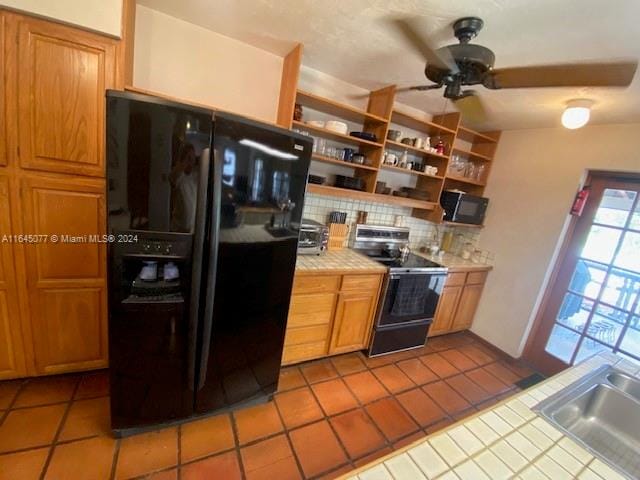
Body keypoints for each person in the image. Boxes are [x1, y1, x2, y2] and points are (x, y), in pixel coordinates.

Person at [170, 143, 198, 232]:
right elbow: (172, 178)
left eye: (193, 158)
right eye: (189, 158)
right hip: (178, 228)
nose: (192, 161)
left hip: (192, 229)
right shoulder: (179, 176)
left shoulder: (196, 176)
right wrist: (184, 161)